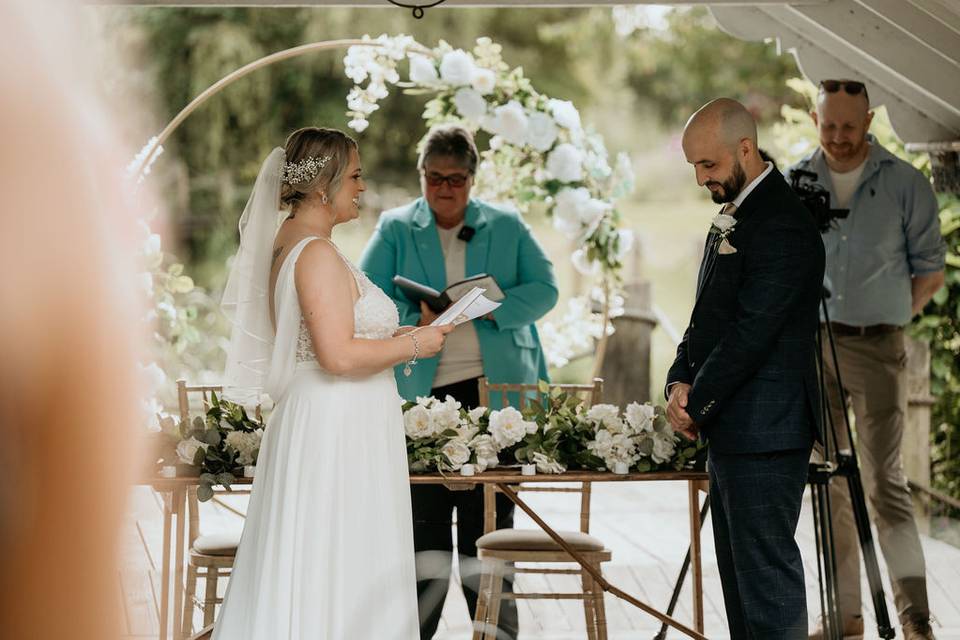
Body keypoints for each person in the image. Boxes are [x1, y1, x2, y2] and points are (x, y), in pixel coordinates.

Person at [213, 127, 453, 639]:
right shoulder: (316, 253)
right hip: (336, 426)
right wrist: (418, 345)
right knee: (339, 551)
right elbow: (338, 354)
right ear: (323, 186)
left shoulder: (290, 241)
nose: (362, 188)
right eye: (356, 176)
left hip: (332, 419)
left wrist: (401, 332)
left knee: (324, 554)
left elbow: (325, 332)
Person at [360, 124, 558, 640]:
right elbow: (364, 297)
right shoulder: (396, 227)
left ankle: (497, 633)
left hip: (496, 395)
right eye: (434, 178)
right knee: (424, 526)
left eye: (456, 179)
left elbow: (546, 288)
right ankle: (417, 632)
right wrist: (417, 313)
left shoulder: (508, 225)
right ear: (421, 176)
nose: (445, 189)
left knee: (489, 531)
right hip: (420, 395)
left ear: (473, 178)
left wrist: (491, 310)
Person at [790, 80, 945, 640]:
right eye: (828, 125)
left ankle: (914, 619)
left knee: (885, 483)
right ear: (815, 119)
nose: (837, 138)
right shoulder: (792, 182)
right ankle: (844, 618)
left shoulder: (905, 183)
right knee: (827, 481)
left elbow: (930, 273)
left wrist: (882, 313)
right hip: (813, 348)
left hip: (879, 348)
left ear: (870, 120)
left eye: (848, 127)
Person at [665, 98, 825, 639]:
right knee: (741, 593)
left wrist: (697, 401)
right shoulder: (736, 216)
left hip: (766, 431)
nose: (700, 178)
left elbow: (750, 335)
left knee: (767, 591)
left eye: (707, 165)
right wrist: (676, 381)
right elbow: (706, 315)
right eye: (693, 167)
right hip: (735, 430)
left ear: (746, 149)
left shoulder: (781, 223)